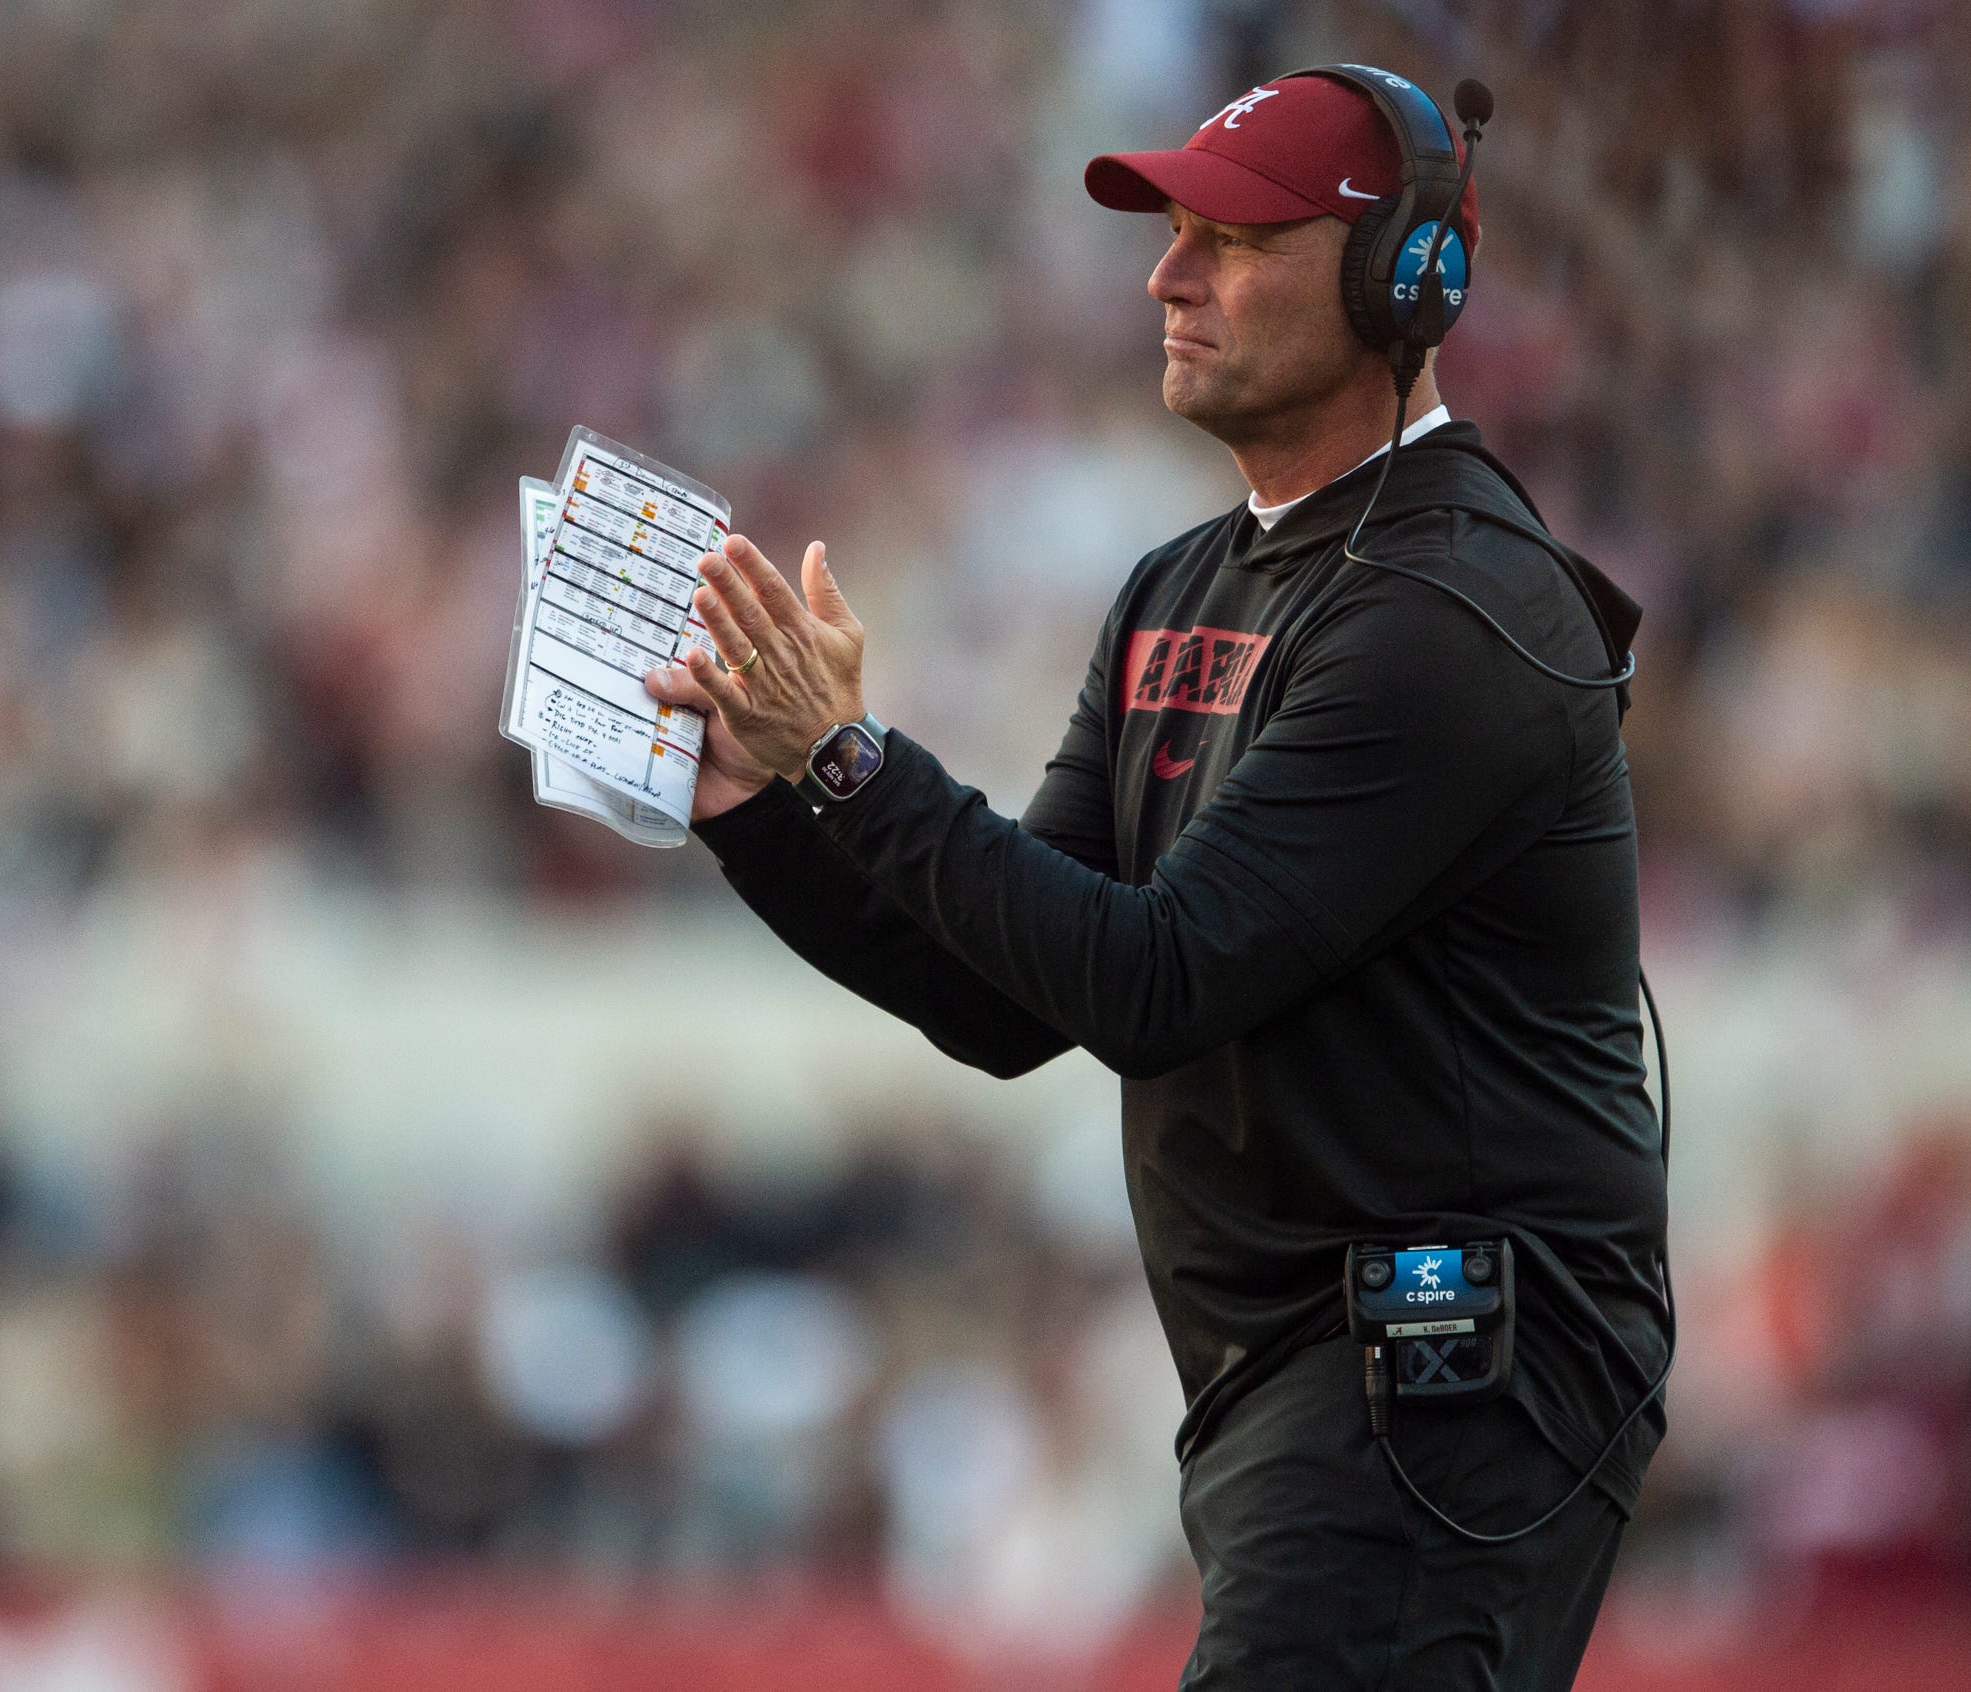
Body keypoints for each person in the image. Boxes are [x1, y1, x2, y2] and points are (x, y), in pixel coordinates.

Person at [642, 67, 1669, 1690]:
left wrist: (853, 760)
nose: (1165, 276)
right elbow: (1005, 998)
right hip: (1308, 1375)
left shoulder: (1453, 613)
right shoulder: (1183, 582)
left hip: (1447, 1363)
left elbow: (1159, 983)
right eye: (1172, 233)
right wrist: (761, 808)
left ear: (1405, 277)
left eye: (1234, 240)